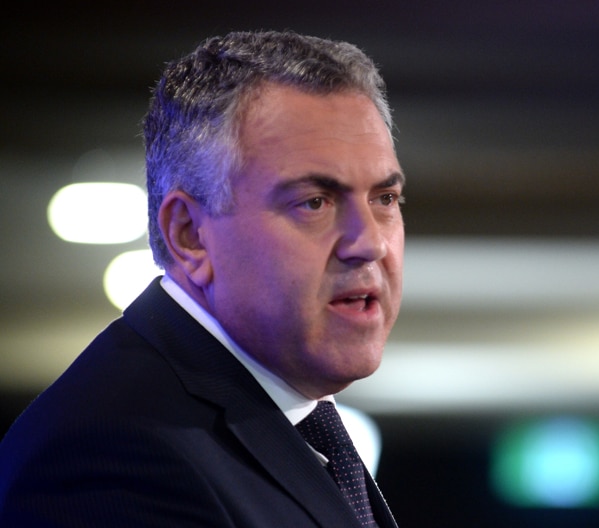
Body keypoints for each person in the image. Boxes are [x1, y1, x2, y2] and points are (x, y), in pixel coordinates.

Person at [0, 30, 405, 527]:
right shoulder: (114, 455)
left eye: (384, 199)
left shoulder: (294, 419)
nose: (369, 243)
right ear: (189, 234)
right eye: (314, 202)